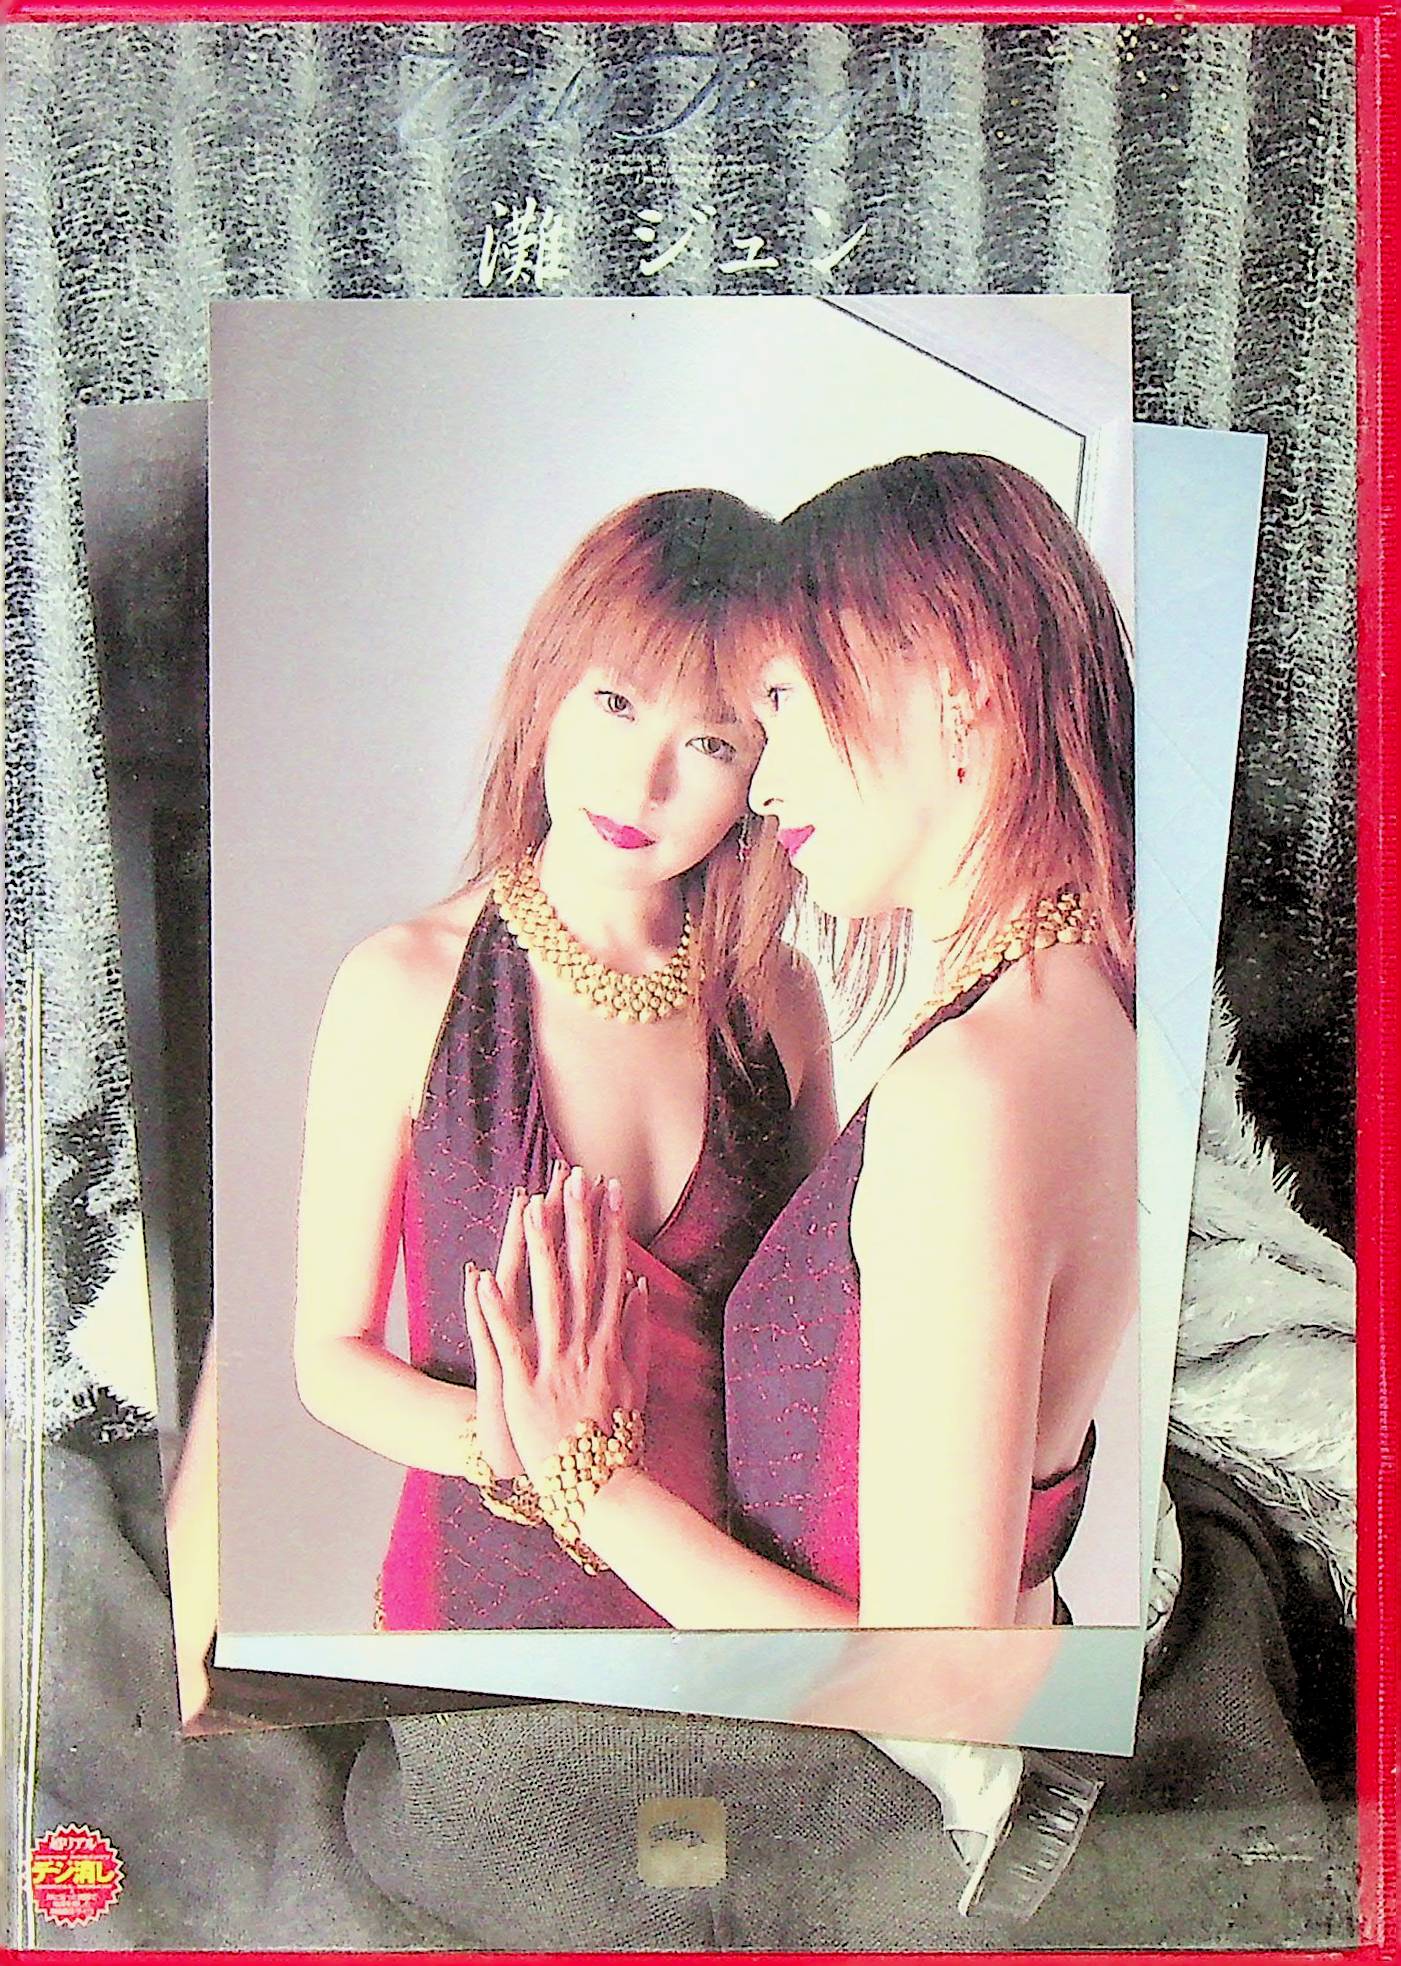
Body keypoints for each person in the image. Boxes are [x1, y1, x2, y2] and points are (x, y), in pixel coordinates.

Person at [463, 453, 1135, 1906]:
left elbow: (936, 1683)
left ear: (956, 677)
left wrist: (588, 1477)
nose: (763, 783)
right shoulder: (1082, 1009)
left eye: (781, 702)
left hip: (874, 1831)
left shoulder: (972, 1091)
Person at [290, 488, 836, 1632]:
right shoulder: (403, 984)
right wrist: (525, 1444)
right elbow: (330, 1356)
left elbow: (819, 1346)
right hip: (480, 1615)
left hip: (723, 1616)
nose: (641, 785)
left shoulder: (779, 1000)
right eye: (616, 703)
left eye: (709, 743)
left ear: (761, 770)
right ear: (551, 684)